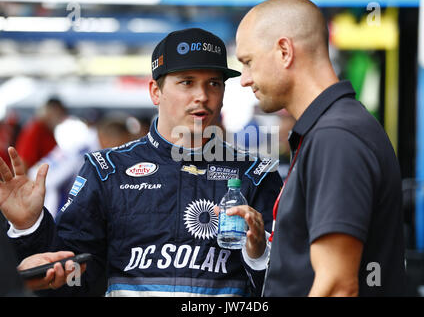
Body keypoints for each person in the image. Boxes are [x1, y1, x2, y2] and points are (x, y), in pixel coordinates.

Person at [0, 28, 283, 297]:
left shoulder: (255, 175)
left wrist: (258, 257)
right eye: (187, 82)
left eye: (214, 83)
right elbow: (74, 279)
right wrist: (30, 227)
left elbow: (289, 281)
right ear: (155, 92)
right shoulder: (107, 170)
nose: (203, 96)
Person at [234, 0, 406, 296]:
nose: (244, 80)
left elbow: (337, 285)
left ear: (284, 51)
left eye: (248, 62)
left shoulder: (335, 137)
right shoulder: (329, 130)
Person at [15, 97, 67, 171]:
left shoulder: (49, 131)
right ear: (49, 112)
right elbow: (24, 161)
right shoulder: (35, 129)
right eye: (58, 114)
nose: (60, 119)